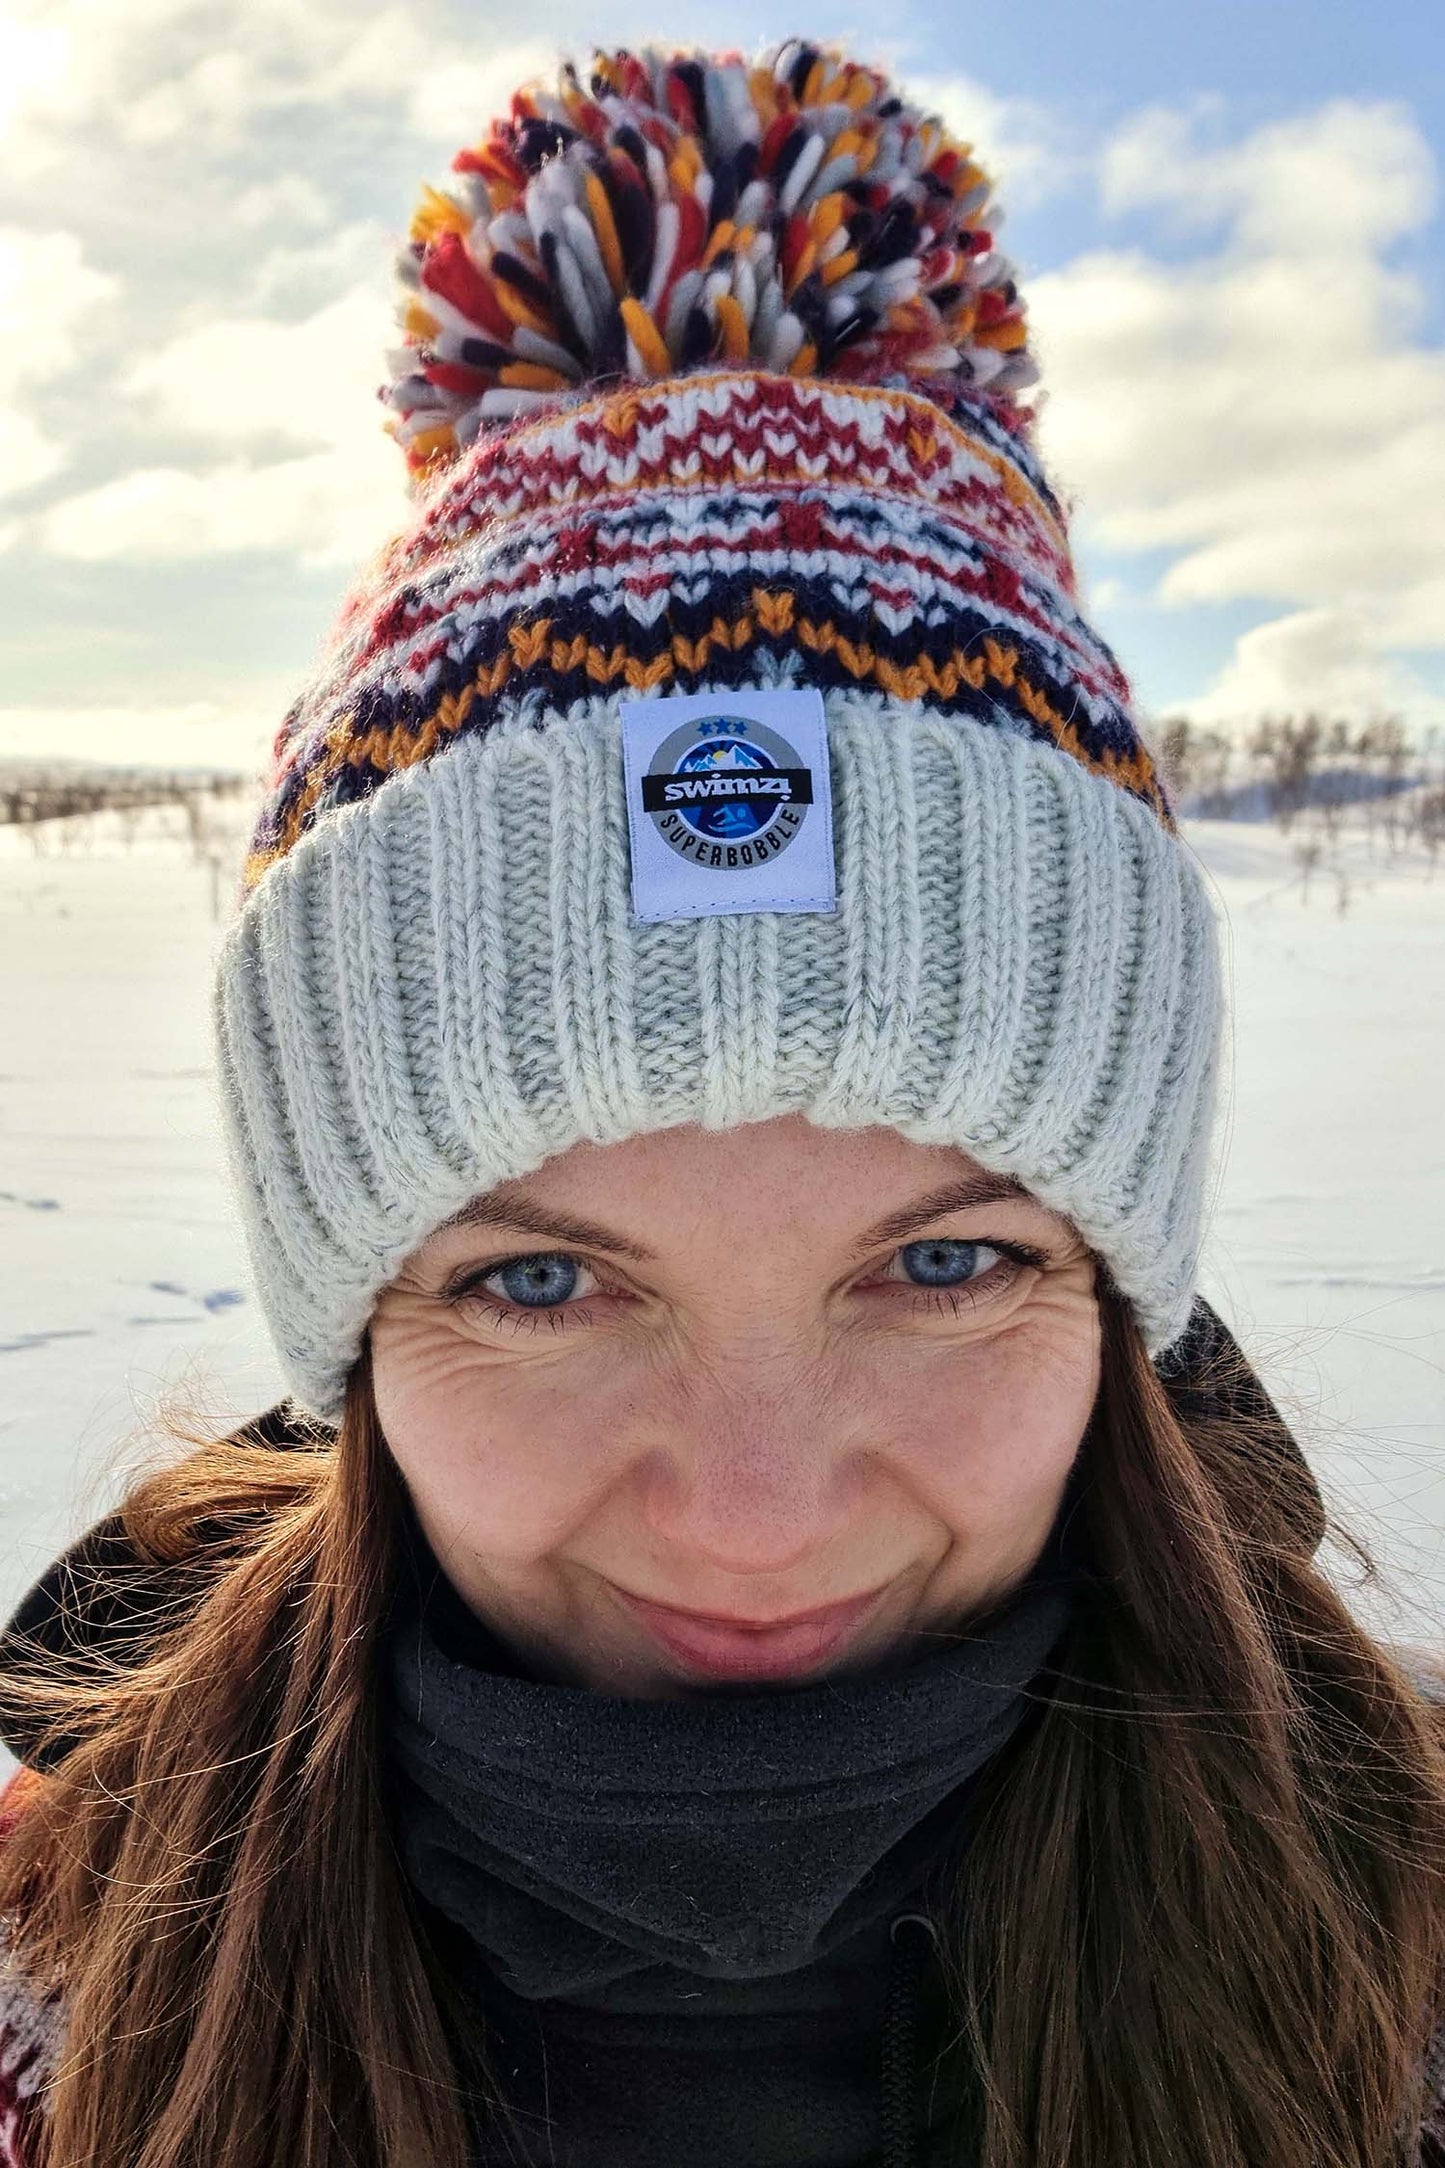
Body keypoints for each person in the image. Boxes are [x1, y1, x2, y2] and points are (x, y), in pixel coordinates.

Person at [0, 37, 1442, 2168]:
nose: (754, 1520)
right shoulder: (59, 1985)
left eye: (946, 1259)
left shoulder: (1397, 1992)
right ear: (353, 1316)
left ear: (1124, 1289)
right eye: (545, 1279)